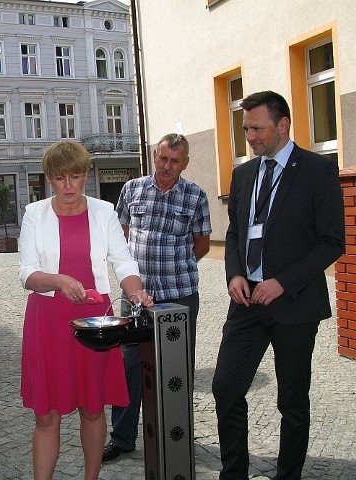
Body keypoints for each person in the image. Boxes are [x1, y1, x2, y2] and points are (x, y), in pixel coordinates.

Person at [212, 91, 345, 480]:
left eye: (257, 128)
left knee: (292, 400)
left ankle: (288, 476)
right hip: (247, 301)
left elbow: (332, 241)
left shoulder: (318, 170)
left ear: (282, 125)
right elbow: (237, 231)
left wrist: (282, 282)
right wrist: (234, 273)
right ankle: (233, 473)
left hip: (294, 303)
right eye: (245, 129)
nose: (249, 136)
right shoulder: (244, 174)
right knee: (226, 387)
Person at [18, 140, 154, 480]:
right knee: (46, 415)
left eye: (75, 177)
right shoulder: (35, 214)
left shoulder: (104, 211)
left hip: (95, 322)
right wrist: (59, 280)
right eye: (60, 178)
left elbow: (123, 261)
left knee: (93, 409)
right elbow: (27, 273)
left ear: (85, 176)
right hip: (47, 321)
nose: (68, 186)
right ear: (49, 178)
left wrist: (136, 292)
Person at [103, 133, 212, 462]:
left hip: (178, 297)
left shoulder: (196, 196)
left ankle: (173, 433)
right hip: (136, 298)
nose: (167, 166)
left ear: (185, 163)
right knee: (129, 366)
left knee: (176, 368)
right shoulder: (132, 189)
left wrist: (173, 267)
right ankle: (122, 438)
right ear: (154, 156)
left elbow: (202, 245)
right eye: (162, 159)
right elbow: (120, 239)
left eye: (174, 161)